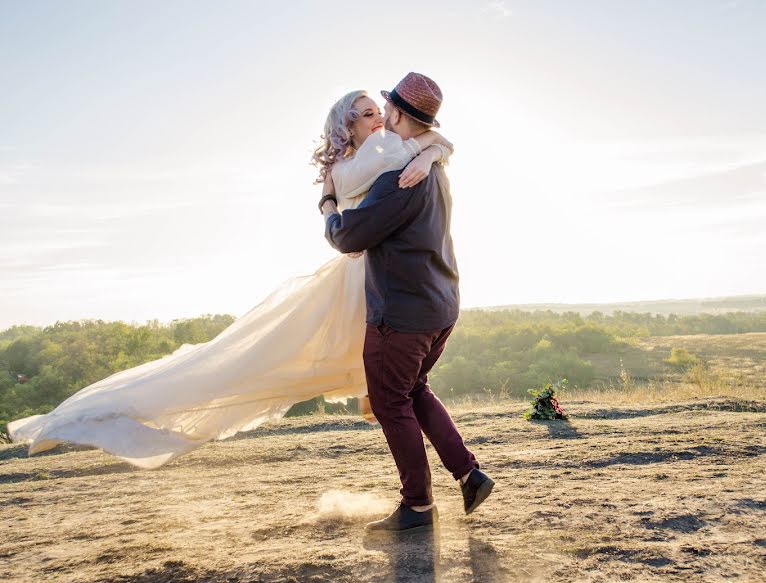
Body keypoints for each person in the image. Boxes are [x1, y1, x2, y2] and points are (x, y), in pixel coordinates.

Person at [6, 86, 451, 469]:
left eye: (381, 110)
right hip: (359, 279)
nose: (380, 120)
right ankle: (114, 415)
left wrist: (432, 151)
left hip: (369, 280)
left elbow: (428, 139)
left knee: (389, 386)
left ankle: (389, 422)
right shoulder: (363, 161)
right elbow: (421, 142)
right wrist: (431, 151)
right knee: (251, 359)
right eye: (369, 112)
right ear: (347, 124)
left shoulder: (374, 155)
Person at [322, 72, 494, 532]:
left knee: (388, 402)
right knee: (413, 390)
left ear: (397, 114)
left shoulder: (400, 176)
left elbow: (349, 237)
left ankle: (417, 506)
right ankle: (469, 473)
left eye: (385, 110)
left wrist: (328, 209)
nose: (381, 118)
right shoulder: (431, 168)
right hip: (441, 304)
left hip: (401, 314)